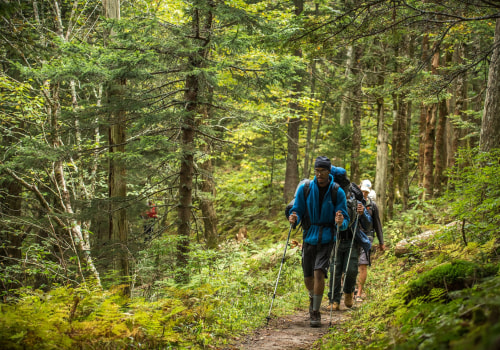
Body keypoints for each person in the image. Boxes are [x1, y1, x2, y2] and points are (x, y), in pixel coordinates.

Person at [288, 156, 349, 328]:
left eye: (322, 171)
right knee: (308, 276)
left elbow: (344, 218)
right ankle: (312, 298)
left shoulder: (337, 191)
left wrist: (340, 222)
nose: (319, 174)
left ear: (329, 172)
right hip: (309, 236)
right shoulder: (305, 188)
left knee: (318, 272)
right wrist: (294, 218)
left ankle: (315, 312)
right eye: (317, 171)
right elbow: (297, 210)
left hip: (328, 237)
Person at [329, 183, 372, 310]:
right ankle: (334, 299)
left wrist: (363, 213)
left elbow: (368, 224)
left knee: (351, 269)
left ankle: (348, 292)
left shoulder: (356, 201)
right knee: (335, 270)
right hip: (336, 240)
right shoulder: (331, 199)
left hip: (352, 240)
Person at [356, 181, 385, 302]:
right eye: (362, 191)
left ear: (369, 192)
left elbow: (377, 224)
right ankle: (349, 289)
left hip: (367, 238)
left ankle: (359, 293)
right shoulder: (354, 203)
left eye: (366, 192)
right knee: (352, 265)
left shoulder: (372, 206)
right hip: (355, 236)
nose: (364, 193)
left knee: (363, 265)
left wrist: (381, 242)